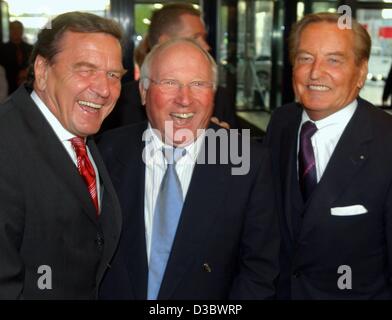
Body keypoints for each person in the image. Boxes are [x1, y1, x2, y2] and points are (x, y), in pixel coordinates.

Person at [98, 38, 279, 299]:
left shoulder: (248, 162)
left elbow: (259, 270)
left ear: (213, 93)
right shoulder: (105, 152)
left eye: (198, 84)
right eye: (170, 83)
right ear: (143, 91)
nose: (185, 99)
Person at [264, 12, 392, 299]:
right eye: (305, 58)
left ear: (360, 72)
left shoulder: (387, 144)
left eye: (334, 60)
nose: (315, 73)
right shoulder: (282, 122)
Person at [0, 11, 125, 299]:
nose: (104, 89)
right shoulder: (7, 145)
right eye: (85, 69)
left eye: (113, 75)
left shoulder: (81, 134)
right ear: (42, 71)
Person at [99, 3, 239, 133]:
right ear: (165, 42)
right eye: (195, 38)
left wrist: (220, 149)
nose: (207, 46)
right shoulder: (117, 103)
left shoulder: (220, 98)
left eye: (198, 84)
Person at [0, 21, 33, 94]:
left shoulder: (30, 48)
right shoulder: (2, 49)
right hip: (8, 88)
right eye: (13, 28)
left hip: (28, 88)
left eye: (18, 28)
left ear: (22, 30)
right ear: (9, 31)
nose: (16, 31)